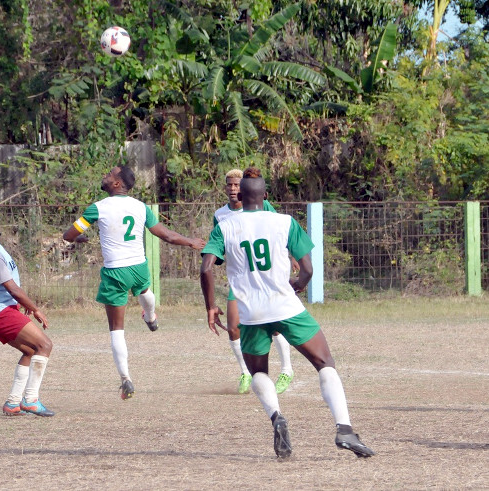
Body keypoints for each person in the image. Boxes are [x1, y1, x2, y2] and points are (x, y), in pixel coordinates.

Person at [200, 172, 374, 459]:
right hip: (285, 306)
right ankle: (344, 429)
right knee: (325, 362)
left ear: (240, 198)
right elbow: (307, 268)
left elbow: (206, 267)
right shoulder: (285, 222)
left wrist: (210, 305)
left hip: (250, 312)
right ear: (265, 197)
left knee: (258, 372)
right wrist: (299, 286)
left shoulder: (225, 226)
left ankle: (277, 416)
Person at [63, 165, 206, 400]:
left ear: (117, 184)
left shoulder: (97, 208)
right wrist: (190, 241)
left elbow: (68, 235)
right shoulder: (141, 207)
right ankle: (150, 316)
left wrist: (79, 238)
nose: (104, 175)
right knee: (145, 290)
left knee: (116, 330)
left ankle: (126, 379)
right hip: (138, 266)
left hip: (115, 272)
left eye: (109, 174)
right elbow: (166, 235)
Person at [212, 168, 295, 395]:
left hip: (265, 277)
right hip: (240, 279)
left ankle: (287, 369)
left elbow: (279, 233)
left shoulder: (263, 206)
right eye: (229, 185)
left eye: (237, 185)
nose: (233, 189)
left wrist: (292, 256)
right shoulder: (220, 215)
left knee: (274, 322)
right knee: (232, 327)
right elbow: (219, 247)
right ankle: (245, 372)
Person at [0, 212, 54, 417]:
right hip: (0, 312)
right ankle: (31, 400)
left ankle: (13, 403)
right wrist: (35, 309)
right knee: (45, 345)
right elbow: (12, 289)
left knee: (31, 351)